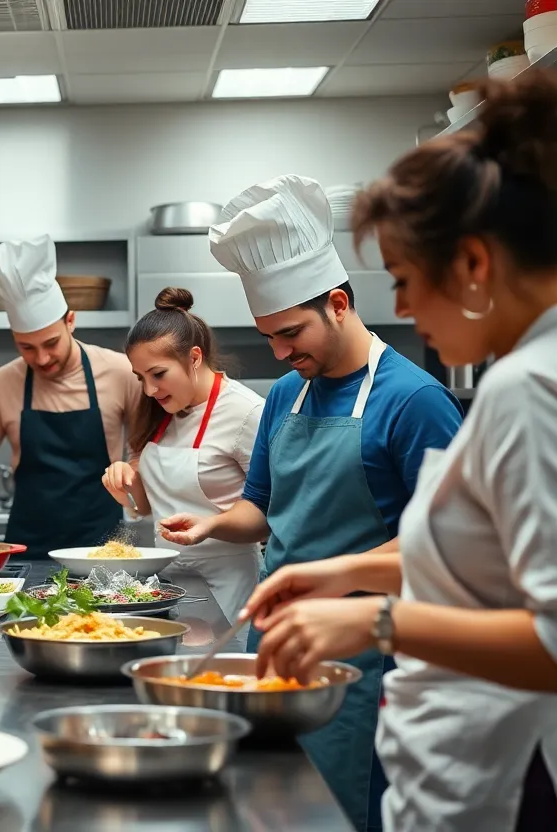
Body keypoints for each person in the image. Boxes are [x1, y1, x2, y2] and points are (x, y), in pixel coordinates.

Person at [243, 72, 557, 832]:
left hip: (500, 774)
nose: (406, 310)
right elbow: (492, 563)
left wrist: (375, 621)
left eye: (408, 281)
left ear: (476, 264)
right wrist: (349, 569)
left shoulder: (525, 390)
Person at [159, 175, 464, 832]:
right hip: (274, 638)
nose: (279, 352)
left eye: (290, 332)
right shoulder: (283, 395)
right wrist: (216, 523)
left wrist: (333, 576)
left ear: (338, 303)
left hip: (364, 660)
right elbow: (262, 510)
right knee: (267, 805)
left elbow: (446, 544)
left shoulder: (413, 402)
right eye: (268, 336)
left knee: (336, 811)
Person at [0, 236, 141, 556]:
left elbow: (145, 443)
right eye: (27, 348)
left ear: (70, 321)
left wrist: (133, 475)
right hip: (28, 544)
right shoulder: (4, 381)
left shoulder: (120, 371)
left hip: (101, 548)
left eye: (50, 344)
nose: (42, 358)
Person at [101, 287, 264, 647]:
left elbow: (270, 513)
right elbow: (146, 509)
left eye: (158, 374)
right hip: (170, 581)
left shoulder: (246, 413)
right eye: (140, 377)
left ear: (194, 357)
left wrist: (211, 525)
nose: (148, 390)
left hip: (229, 584)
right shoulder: (159, 412)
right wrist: (126, 489)